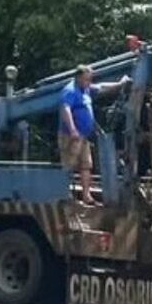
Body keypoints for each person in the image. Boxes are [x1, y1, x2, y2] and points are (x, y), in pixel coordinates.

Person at [58, 64, 130, 206]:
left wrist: (120, 84)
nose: (89, 82)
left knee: (86, 165)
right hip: (71, 135)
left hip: (83, 136)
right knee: (69, 165)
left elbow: (101, 87)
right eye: (86, 79)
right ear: (78, 78)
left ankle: (86, 196)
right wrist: (72, 130)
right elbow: (65, 109)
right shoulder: (70, 90)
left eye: (90, 79)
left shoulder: (86, 89)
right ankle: (66, 196)